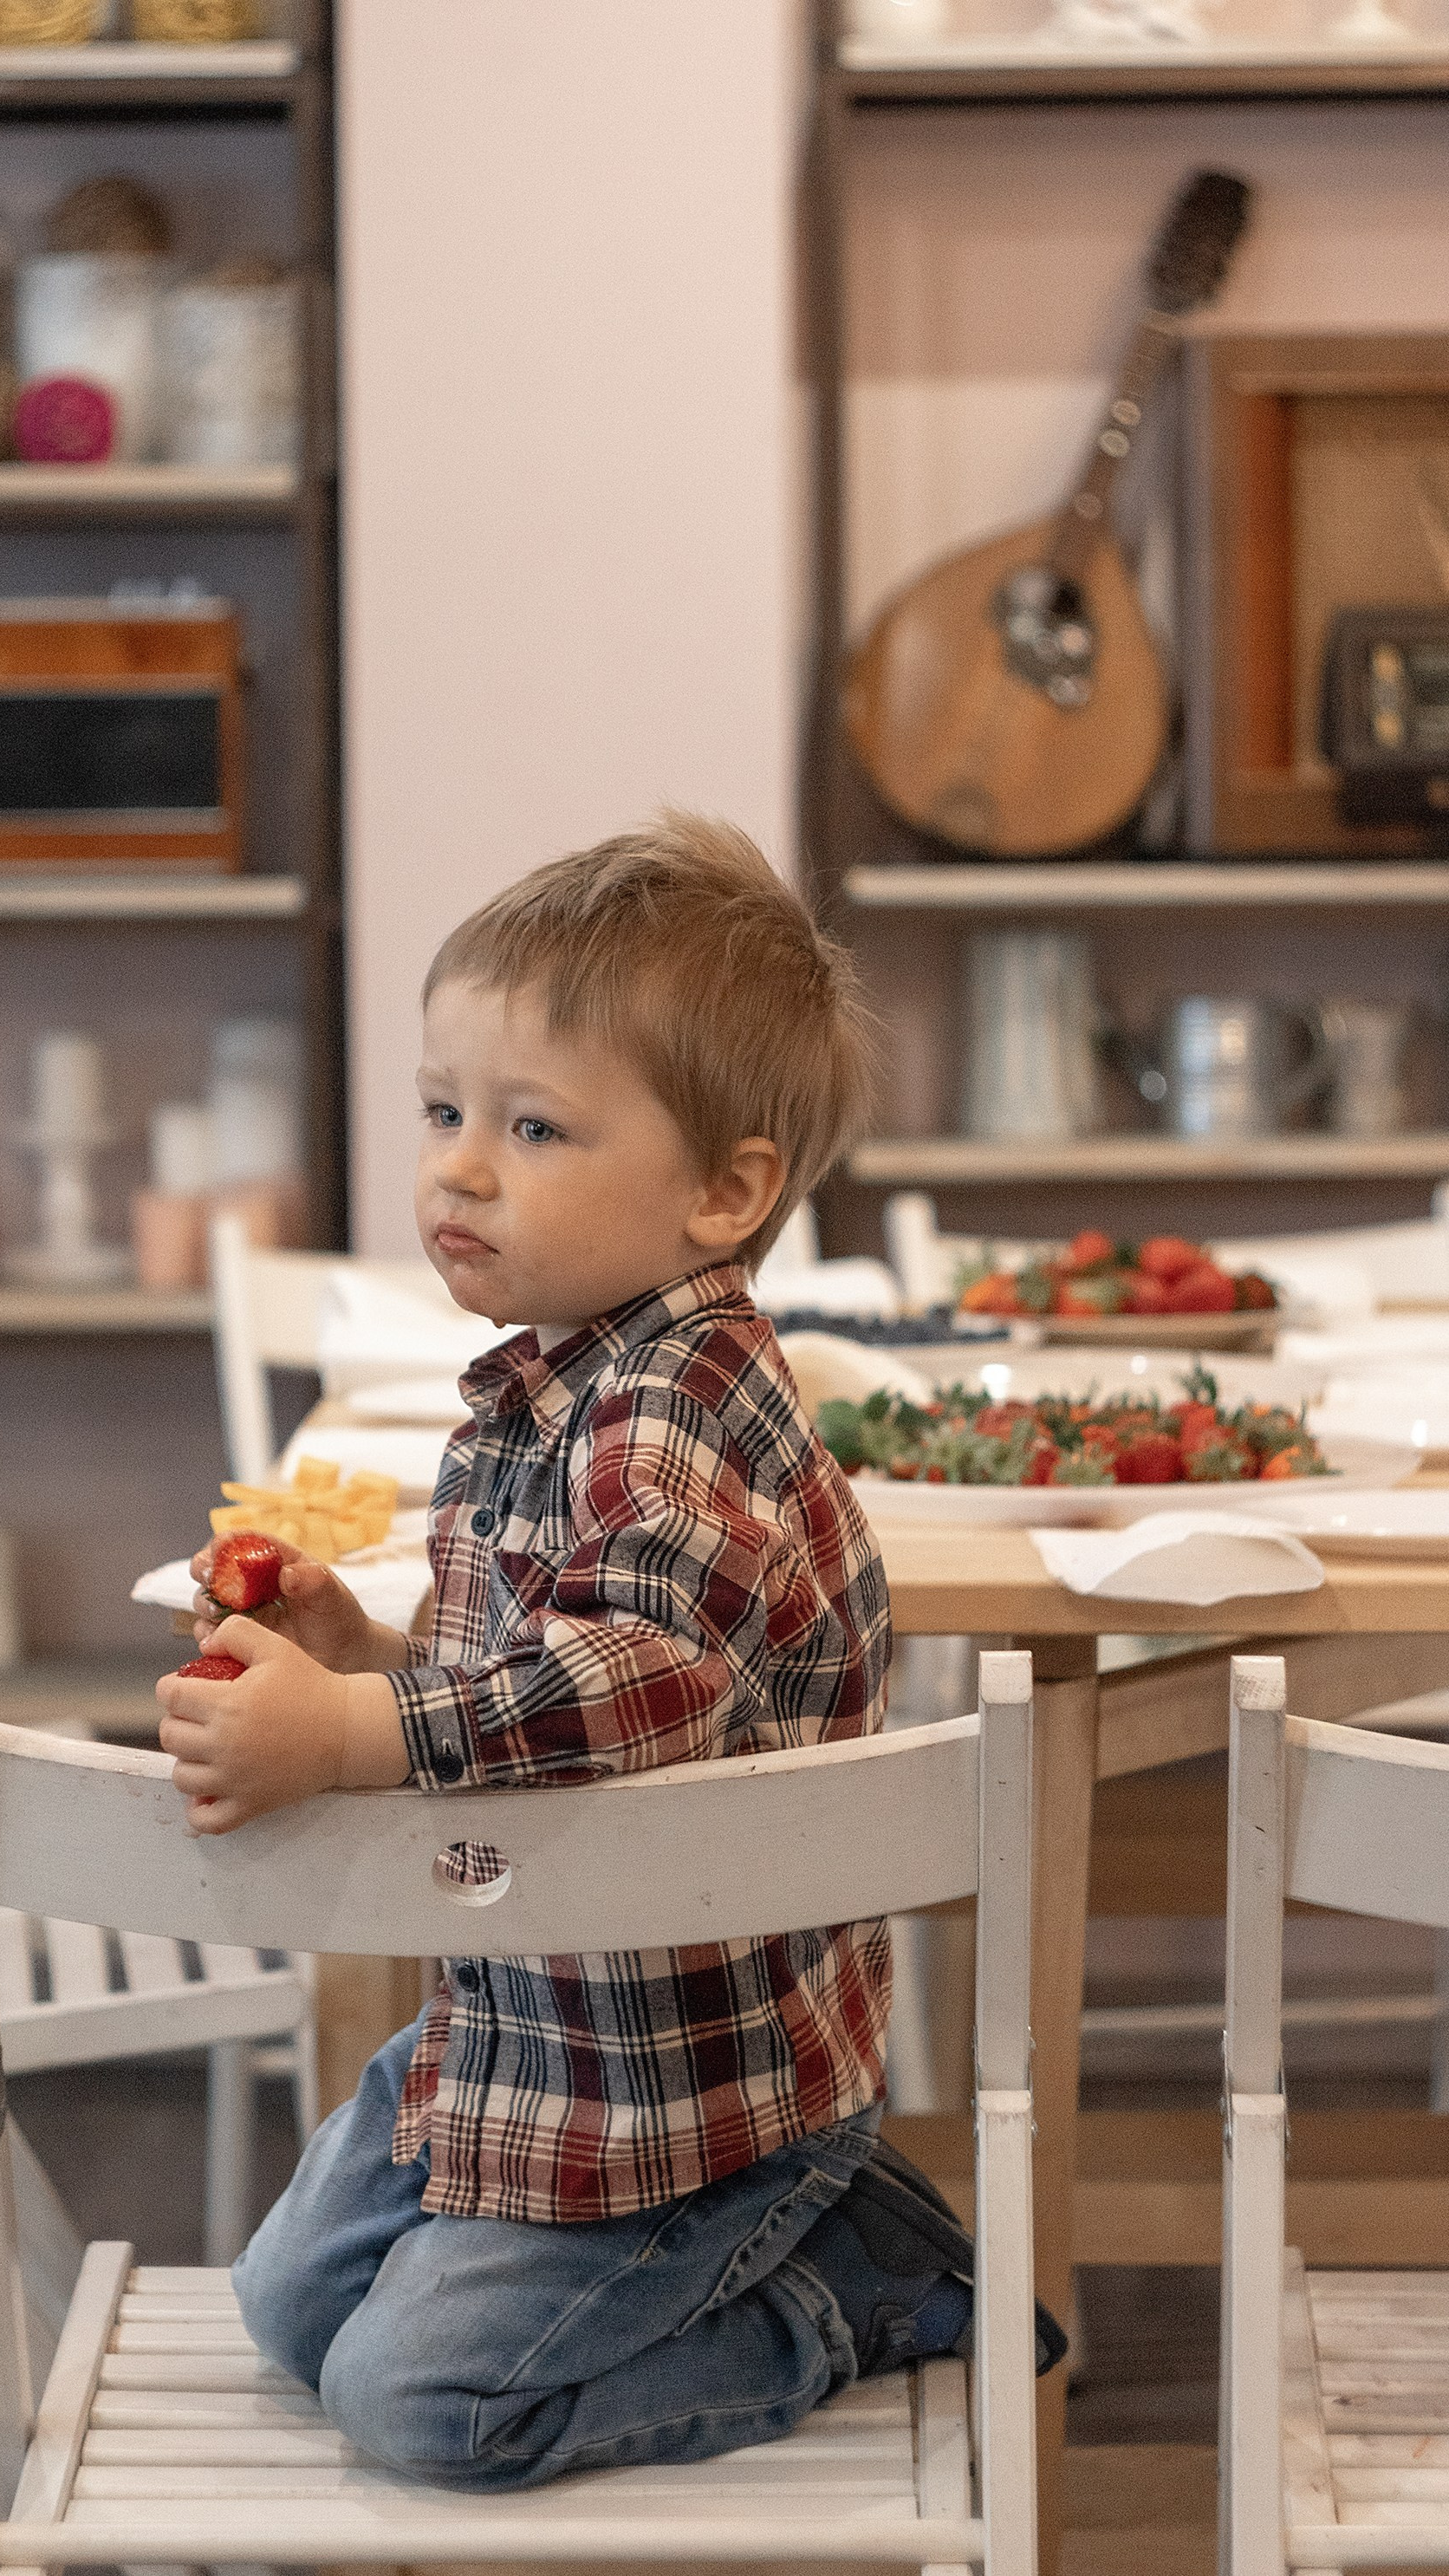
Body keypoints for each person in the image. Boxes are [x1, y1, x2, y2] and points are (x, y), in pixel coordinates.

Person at [154, 811, 977, 2490]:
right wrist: (363, 1653)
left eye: (530, 1127)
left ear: (722, 1192)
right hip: (529, 2016)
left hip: (685, 2097)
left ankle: (840, 2281)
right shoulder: (561, 1377)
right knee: (285, 2306)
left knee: (418, 2404)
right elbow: (537, 1677)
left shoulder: (668, 1407)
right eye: (444, 1110)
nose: (459, 1166)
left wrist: (352, 1740)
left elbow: (638, 1679)